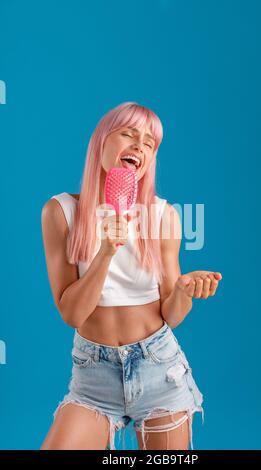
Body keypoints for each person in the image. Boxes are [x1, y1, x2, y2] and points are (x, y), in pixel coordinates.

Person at [40, 102, 222, 450]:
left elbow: (173, 315)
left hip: (159, 368)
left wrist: (184, 290)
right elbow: (72, 314)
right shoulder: (60, 212)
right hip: (93, 375)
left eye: (150, 143)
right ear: (101, 141)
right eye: (129, 133)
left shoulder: (163, 215)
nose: (140, 145)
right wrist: (106, 250)